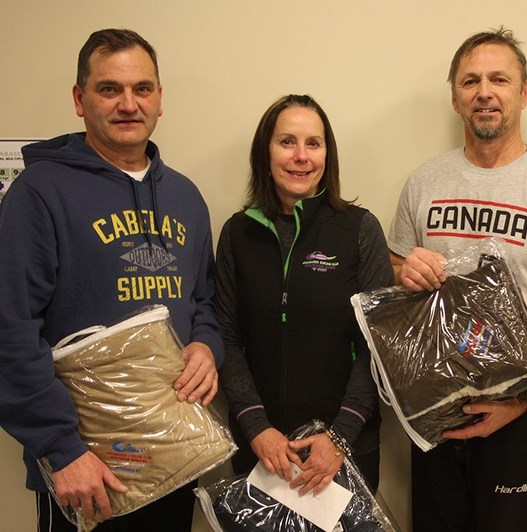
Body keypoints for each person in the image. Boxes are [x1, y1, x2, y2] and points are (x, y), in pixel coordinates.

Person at [0, 29, 223, 531]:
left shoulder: (185, 196)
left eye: (142, 88)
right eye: (109, 89)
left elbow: (204, 301)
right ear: (80, 100)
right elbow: (9, 329)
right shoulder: (38, 193)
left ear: (160, 99)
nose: (128, 103)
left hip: (174, 456)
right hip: (88, 470)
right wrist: (62, 450)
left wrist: (208, 347)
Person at [388, 27, 527, 531]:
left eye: (499, 79)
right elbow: (393, 275)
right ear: (456, 97)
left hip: (521, 414)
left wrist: (519, 398)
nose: (485, 91)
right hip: (436, 408)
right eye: (470, 81)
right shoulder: (423, 182)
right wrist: (405, 271)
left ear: (523, 92)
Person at [215, 94, 393, 497]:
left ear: (327, 154)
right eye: (286, 142)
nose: (301, 156)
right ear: (265, 151)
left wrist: (341, 436)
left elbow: (379, 343)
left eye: (313, 143)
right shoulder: (237, 233)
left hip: (344, 451)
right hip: (261, 450)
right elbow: (226, 336)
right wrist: (258, 429)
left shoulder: (360, 229)